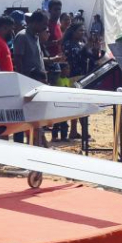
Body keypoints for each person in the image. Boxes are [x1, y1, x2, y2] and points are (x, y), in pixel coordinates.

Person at [12, 10, 48, 144]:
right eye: (43, 24)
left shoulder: (36, 37)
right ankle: (19, 146)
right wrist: (23, 81)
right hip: (25, 85)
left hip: (37, 82)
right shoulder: (22, 36)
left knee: (35, 117)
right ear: (35, 22)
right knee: (22, 118)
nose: (45, 27)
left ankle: (37, 144)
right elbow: (18, 60)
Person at [63, 23, 99, 138]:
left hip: (83, 76)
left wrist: (95, 49)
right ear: (73, 32)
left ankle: (74, 131)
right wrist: (86, 47)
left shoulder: (81, 43)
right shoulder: (68, 44)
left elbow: (91, 58)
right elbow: (75, 58)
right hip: (74, 76)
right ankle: (83, 131)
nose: (82, 33)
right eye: (80, 31)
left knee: (80, 104)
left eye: (84, 31)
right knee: (79, 105)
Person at [51, 63, 72, 142]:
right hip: (58, 104)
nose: (68, 71)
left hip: (65, 104)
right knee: (56, 122)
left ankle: (64, 136)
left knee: (64, 122)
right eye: (67, 69)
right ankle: (54, 136)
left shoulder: (67, 80)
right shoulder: (58, 80)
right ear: (62, 70)